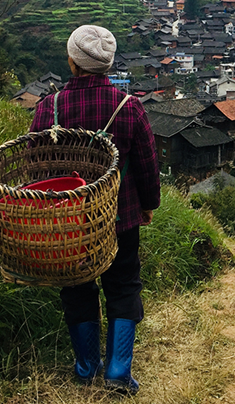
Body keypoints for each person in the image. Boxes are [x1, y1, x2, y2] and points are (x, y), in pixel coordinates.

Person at [30, 24, 160, 394]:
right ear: (107, 64)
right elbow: (148, 165)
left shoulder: (49, 107)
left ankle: (87, 365)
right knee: (123, 286)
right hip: (119, 217)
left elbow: (35, 164)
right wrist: (148, 206)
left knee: (76, 286)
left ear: (72, 61)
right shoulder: (128, 107)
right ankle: (118, 371)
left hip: (69, 219)